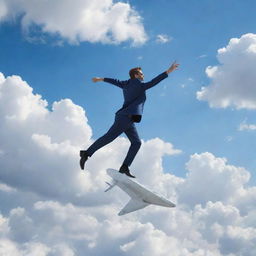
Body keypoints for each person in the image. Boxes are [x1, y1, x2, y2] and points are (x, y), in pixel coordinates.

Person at [80, 61, 179, 178]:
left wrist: (101, 79)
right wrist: (169, 71)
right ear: (136, 75)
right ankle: (86, 153)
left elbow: (114, 81)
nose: (143, 76)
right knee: (109, 137)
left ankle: (124, 167)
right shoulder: (140, 85)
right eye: (141, 74)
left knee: (136, 143)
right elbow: (154, 81)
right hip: (125, 118)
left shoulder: (125, 83)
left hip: (128, 119)